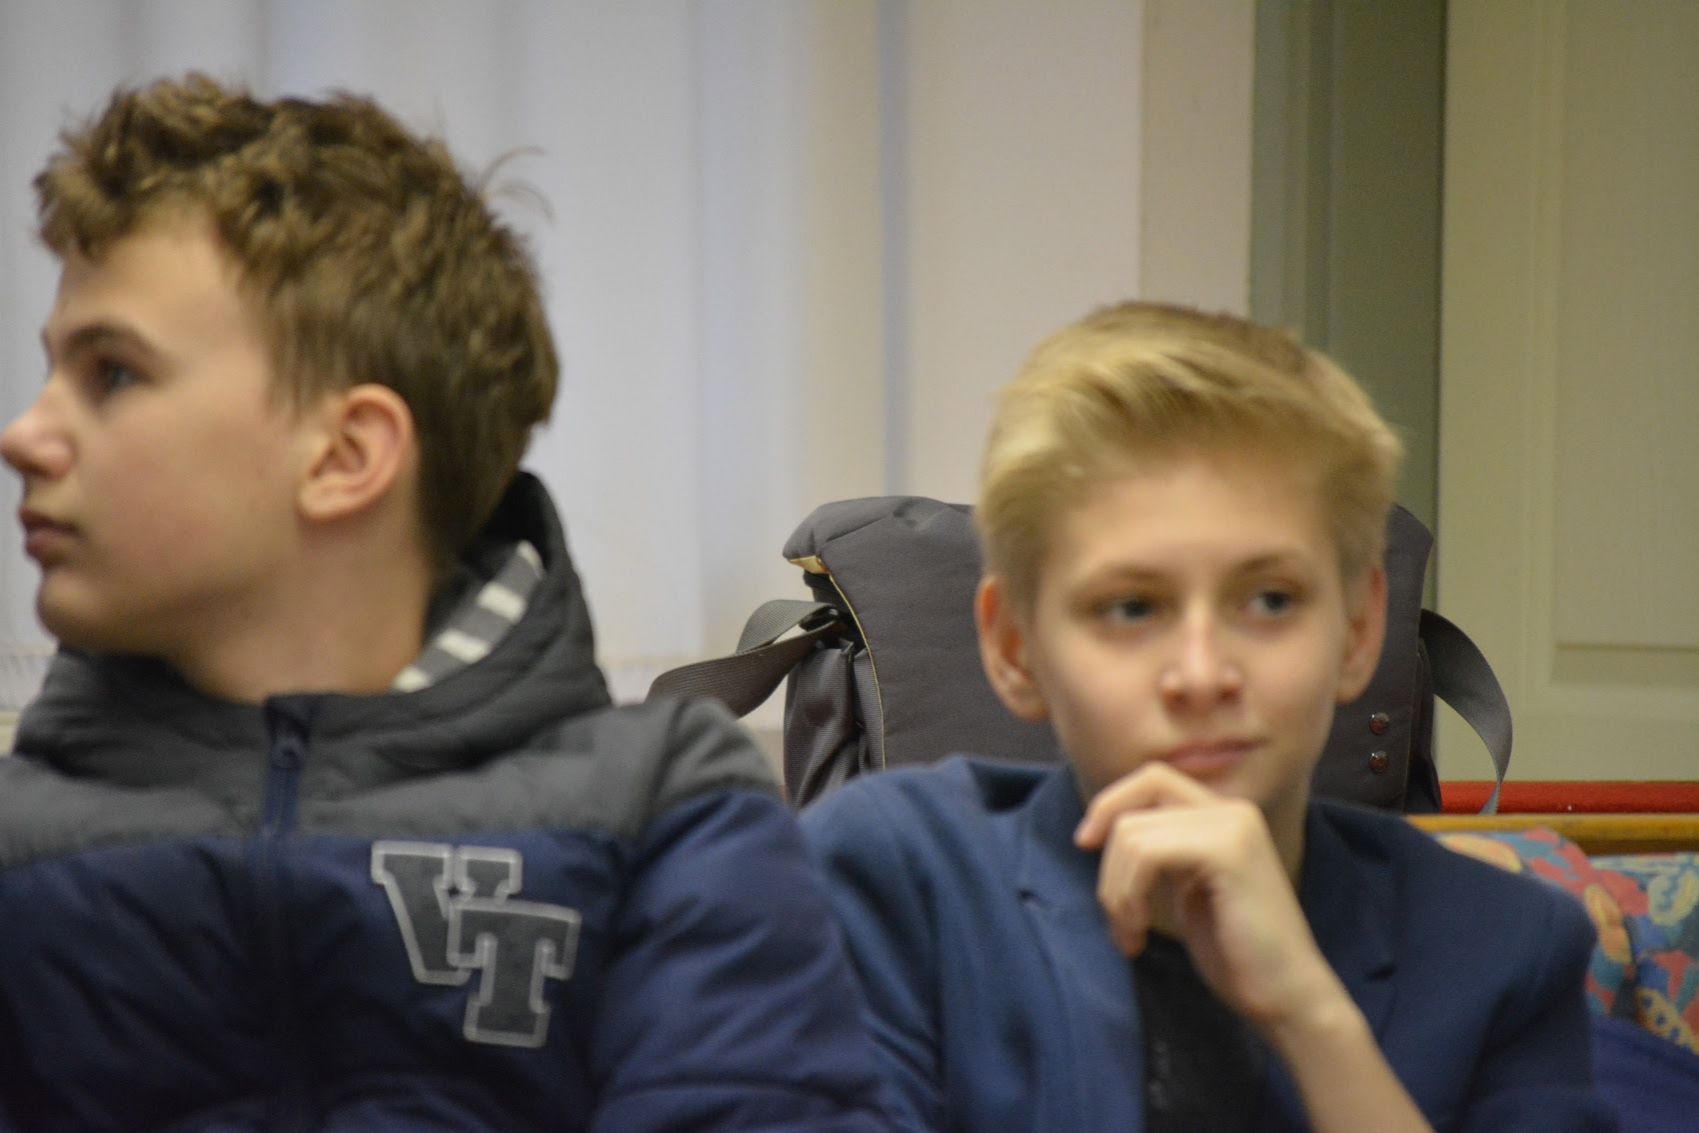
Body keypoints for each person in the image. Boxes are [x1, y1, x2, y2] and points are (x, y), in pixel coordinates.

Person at [0, 74, 885, 1131]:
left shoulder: (660, 812)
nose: (24, 434)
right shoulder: (20, 843)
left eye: (111, 374)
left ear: (345, 454)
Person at [801, 301, 1615, 1131]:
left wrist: (1311, 1017)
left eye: (1269, 600)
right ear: (1014, 647)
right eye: (1129, 607)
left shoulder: (1503, 945)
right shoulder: (896, 880)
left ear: (1358, 629)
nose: (1200, 675)